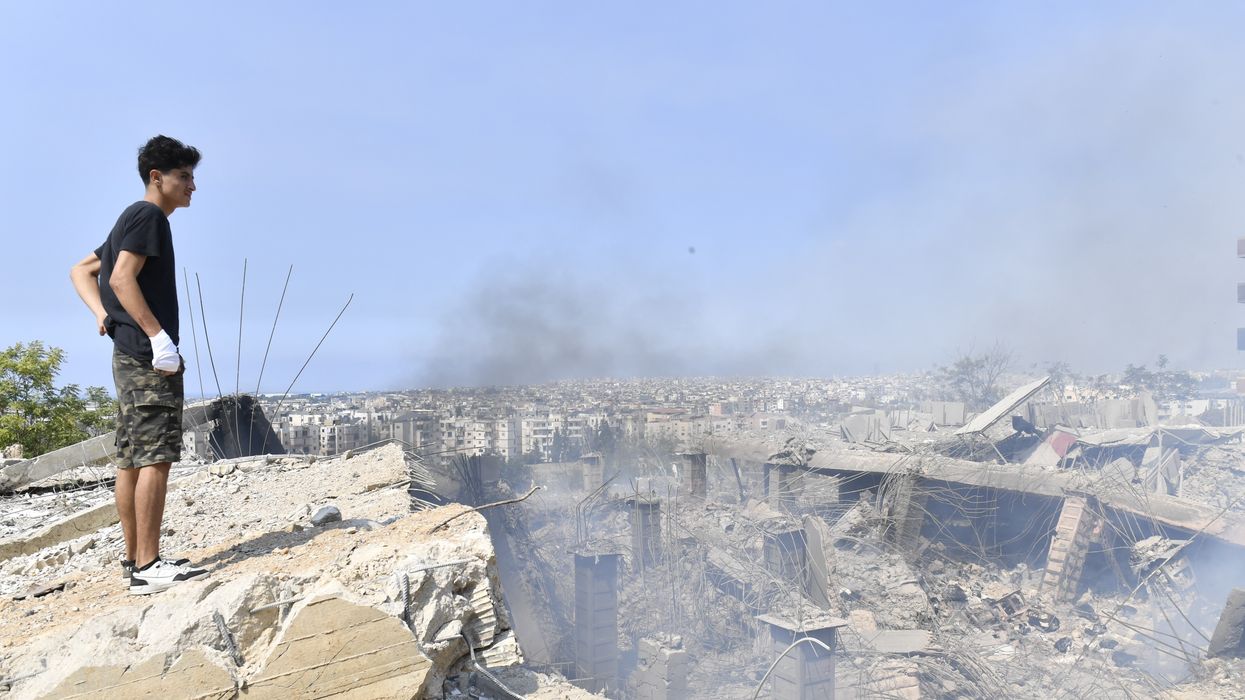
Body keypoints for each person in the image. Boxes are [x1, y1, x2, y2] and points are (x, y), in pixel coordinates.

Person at [70, 135, 209, 594]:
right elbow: (120, 276)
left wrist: (102, 315)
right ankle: (149, 567)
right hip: (146, 356)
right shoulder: (148, 216)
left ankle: (135, 561)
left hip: (127, 353)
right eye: (184, 176)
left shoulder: (130, 218)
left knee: (131, 458)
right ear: (157, 177)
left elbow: (82, 270)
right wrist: (158, 337)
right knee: (155, 458)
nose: (192, 186)